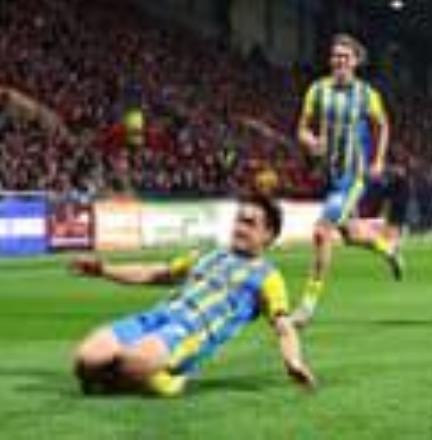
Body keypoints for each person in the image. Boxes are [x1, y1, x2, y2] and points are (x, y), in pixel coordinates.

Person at [73, 196, 316, 397]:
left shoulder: (268, 277)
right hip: (158, 316)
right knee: (86, 360)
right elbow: (156, 273)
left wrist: (293, 362)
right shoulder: (208, 255)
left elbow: (283, 326)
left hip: (189, 332)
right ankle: (140, 377)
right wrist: (104, 270)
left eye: (250, 223)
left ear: (268, 234)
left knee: (132, 362)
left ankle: (169, 379)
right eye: (238, 221)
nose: (240, 228)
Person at [291, 33, 403, 327]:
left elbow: (383, 124)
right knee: (350, 234)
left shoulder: (367, 94)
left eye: (345, 56)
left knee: (322, 231)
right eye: (335, 55)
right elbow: (301, 128)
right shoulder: (317, 90)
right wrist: (310, 141)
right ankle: (388, 248)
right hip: (328, 175)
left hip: (353, 176)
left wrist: (378, 160)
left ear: (356, 61)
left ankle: (307, 305)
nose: (339, 60)